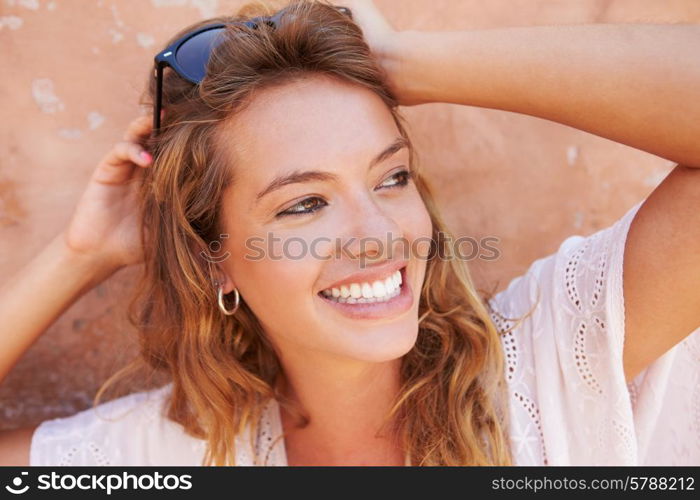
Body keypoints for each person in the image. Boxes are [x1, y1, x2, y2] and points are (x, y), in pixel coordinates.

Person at [1, 0, 698, 466]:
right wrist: (79, 258)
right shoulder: (168, 454)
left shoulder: (548, 365)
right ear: (215, 263)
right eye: (304, 204)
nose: (377, 236)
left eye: (391, 178)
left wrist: (399, 63)